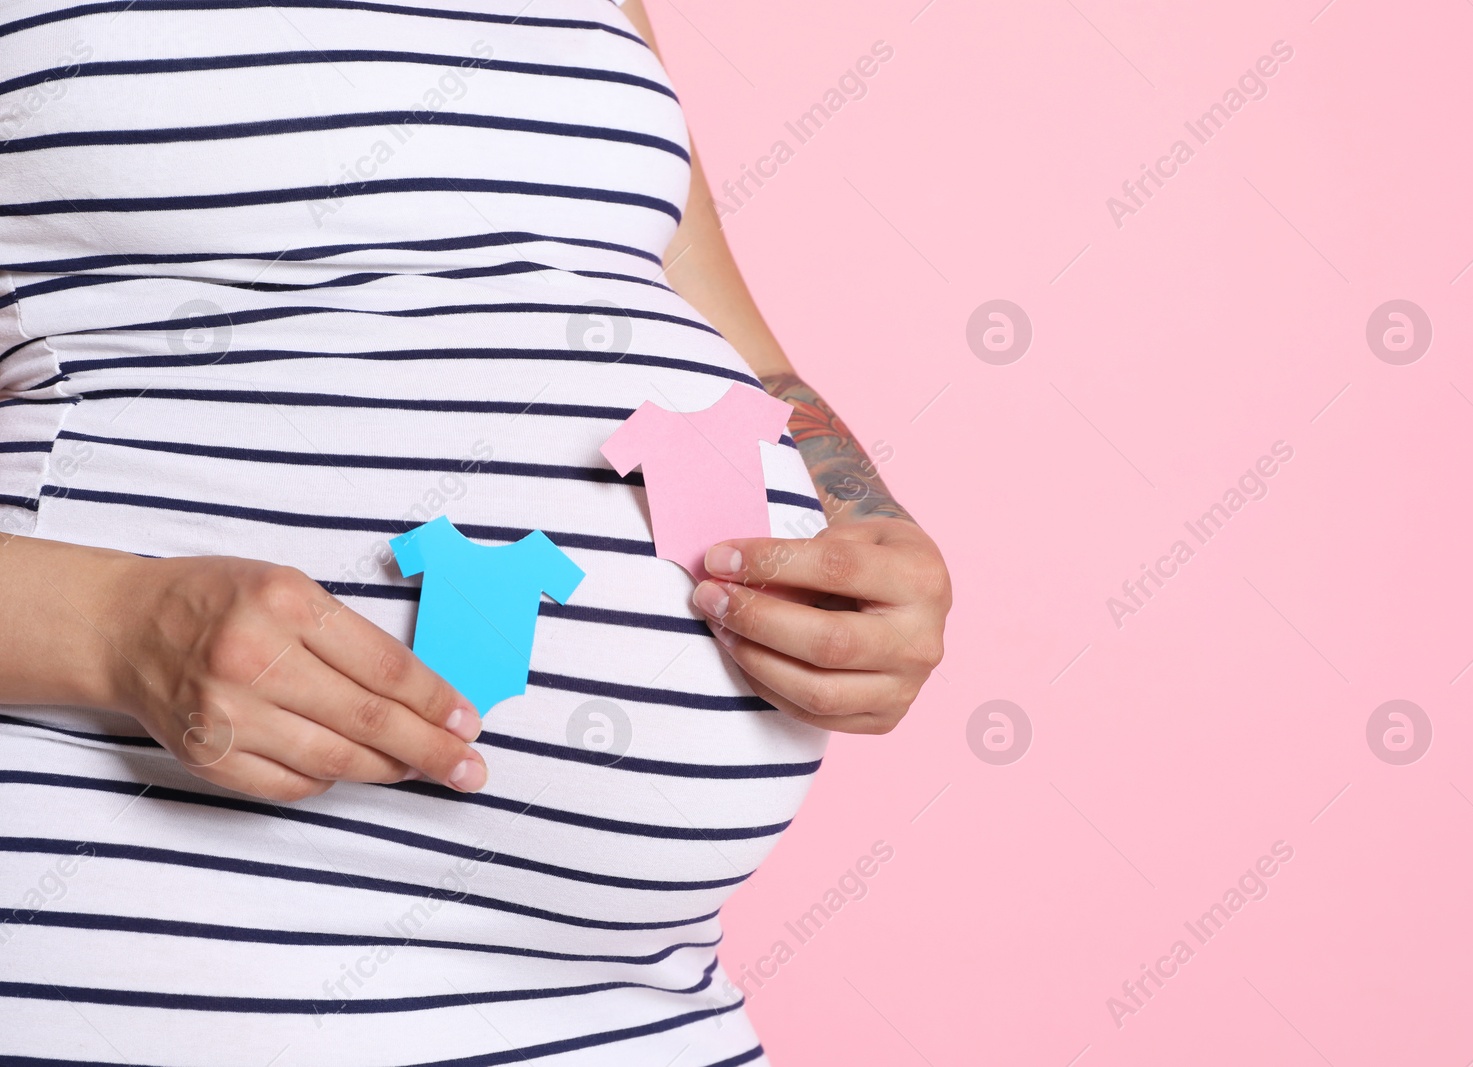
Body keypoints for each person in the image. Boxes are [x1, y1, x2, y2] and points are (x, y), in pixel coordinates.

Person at [0, 0, 950, 1063]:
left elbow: (739, 352)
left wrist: (869, 530)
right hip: (170, 964)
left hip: (643, 1003)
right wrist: (118, 626)